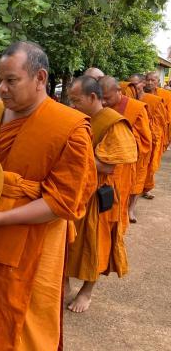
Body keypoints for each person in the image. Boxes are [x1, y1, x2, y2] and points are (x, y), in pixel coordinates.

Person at [0, 41, 97, 350]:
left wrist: (3, 217)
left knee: (27, 327)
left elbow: (62, 201)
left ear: (40, 78)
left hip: (37, 245)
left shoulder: (69, 127)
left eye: (12, 80)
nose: (3, 89)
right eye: (0, 80)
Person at [66, 76, 137, 313]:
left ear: (93, 97)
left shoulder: (113, 122)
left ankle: (87, 291)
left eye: (77, 100)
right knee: (67, 239)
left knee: (94, 244)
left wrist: (75, 155)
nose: (73, 105)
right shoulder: (78, 117)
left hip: (98, 194)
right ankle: (63, 284)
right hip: (75, 190)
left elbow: (109, 165)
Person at [99, 76, 152, 228]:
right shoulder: (97, 105)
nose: (103, 102)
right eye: (101, 98)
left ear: (118, 91)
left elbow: (144, 141)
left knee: (116, 208)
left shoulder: (136, 108)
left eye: (107, 98)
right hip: (100, 165)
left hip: (122, 167)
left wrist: (120, 142)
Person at [128, 74, 167, 204]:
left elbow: (162, 121)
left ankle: (145, 188)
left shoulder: (159, 99)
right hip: (133, 138)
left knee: (147, 167)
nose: (150, 82)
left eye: (153, 80)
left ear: (157, 82)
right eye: (148, 80)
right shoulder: (128, 97)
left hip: (151, 137)